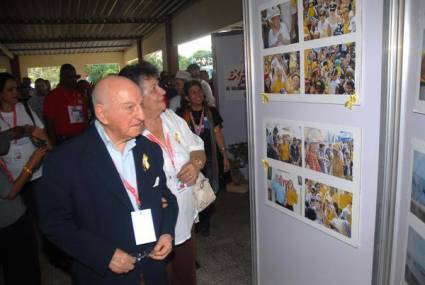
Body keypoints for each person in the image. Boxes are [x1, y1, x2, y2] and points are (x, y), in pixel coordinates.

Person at [37, 76, 178, 285]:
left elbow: (166, 196)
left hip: (153, 270)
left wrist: (166, 232)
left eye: (140, 105)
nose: (141, 114)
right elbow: (54, 223)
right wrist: (104, 255)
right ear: (102, 113)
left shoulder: (150, 149)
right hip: (104, 277)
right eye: (130, 107)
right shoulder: (65, 160)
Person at [119, 61, 206, 285]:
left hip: (185, 216)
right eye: (154, 88)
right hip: (154, 224)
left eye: (160, 85)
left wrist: (195, 165)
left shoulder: (171, 119)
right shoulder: (127, 133)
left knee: (185, 274)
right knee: (157, 277)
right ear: (135, 97)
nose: (162, 91)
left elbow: (198, 148)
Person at [178, 80, 230, 236]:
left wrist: (225, 155)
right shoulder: (181, 115)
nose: (198, 95)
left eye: (200, 91)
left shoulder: (211, 112)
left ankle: (205, 220)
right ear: (187, 97)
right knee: (193, 192)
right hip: (190, 161)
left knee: (210, 191)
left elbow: (217, 134)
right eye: (193, 92)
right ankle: (198, 221)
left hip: (211, 160)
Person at [0, 128, 46, 285]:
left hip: (10, 219)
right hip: (10, 221)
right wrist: (31, 164)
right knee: (23, 264)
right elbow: (11, 192)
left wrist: (23, 129)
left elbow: (4, 138)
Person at [0, 72, 49, 219]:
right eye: (10, 90)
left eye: (16, 88)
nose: (16, 92)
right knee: (25, 217)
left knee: (44, 216)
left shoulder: (24, 108)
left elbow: (42, 134)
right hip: (14, 179)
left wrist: (40, 140)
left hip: (37, 174)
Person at [43, 63, 89, 145]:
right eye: (70, 78)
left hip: (81, 138)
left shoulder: (79, 94)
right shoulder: (52, 96)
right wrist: (53, 145)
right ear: (62, 78)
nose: (74, 80)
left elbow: (85, 118)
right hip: (63, 141)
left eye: (74, 77)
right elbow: (49, 123)